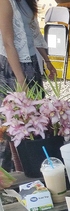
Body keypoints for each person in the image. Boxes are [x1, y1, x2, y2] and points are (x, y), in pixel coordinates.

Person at [0, 0, 56, 172]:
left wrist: (47, 61)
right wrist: (21, 80)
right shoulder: (5, 2)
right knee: (13, 121)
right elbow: (8, 43)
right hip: (13, 67)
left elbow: (34, 32)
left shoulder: (27, 1)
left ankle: (35, 166)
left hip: (31, 63)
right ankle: (7, 171)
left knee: (36, 117)